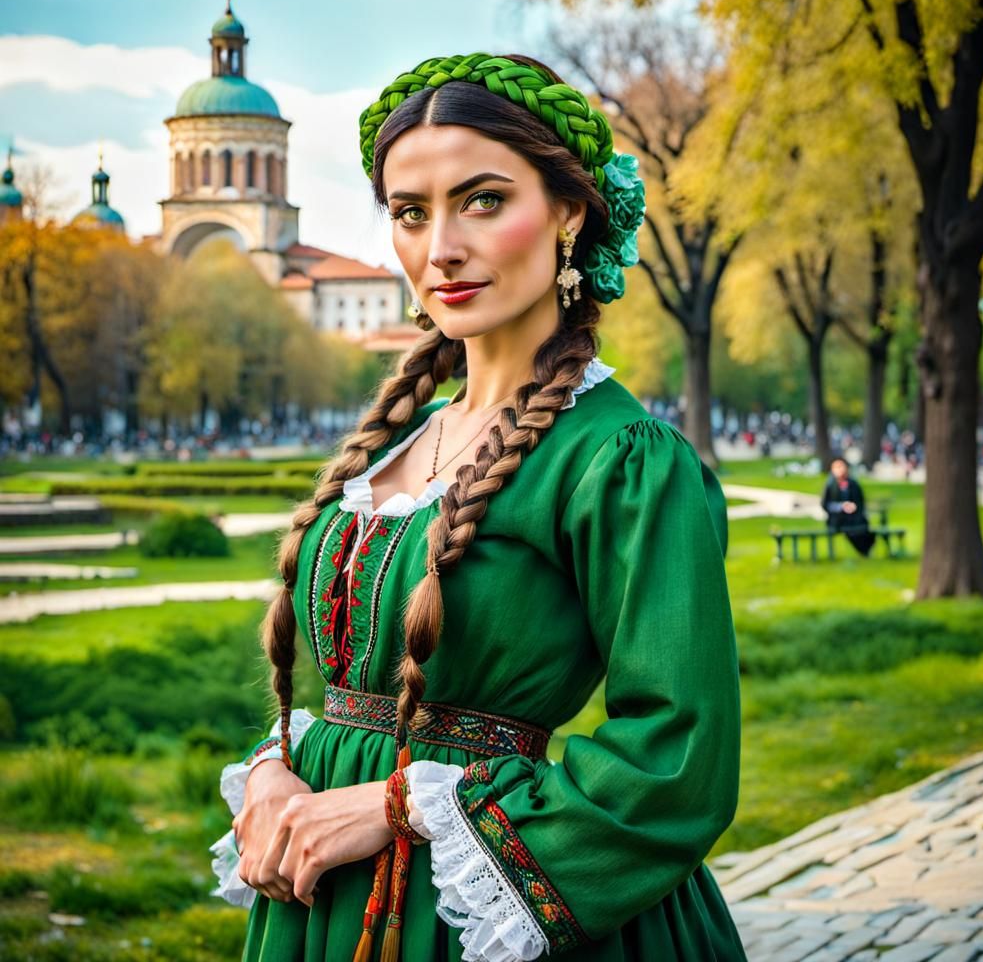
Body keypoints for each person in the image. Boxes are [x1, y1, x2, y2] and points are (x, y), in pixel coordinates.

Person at [210, 52, 746, 962]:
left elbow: (678, 759)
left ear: (570, 213)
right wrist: (274, 772)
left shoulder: (618, 458)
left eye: (484, 200)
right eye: (411, 213)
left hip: (480, 911)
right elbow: (364, 687)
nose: (441, 248)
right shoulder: (396, 442)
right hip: (327, 905)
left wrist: (394, 808)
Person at [821, 456, 876, 556]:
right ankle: (864, 551)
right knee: (853, 531)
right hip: (837, 520)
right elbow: (825, 504)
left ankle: (865, 550)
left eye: (842, 467)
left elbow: (860, 502)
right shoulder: (830, 485)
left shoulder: (853, 484)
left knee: (862, 529)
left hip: (854, 518)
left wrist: (853, 507)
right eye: (837, 467)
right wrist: (840, 507)